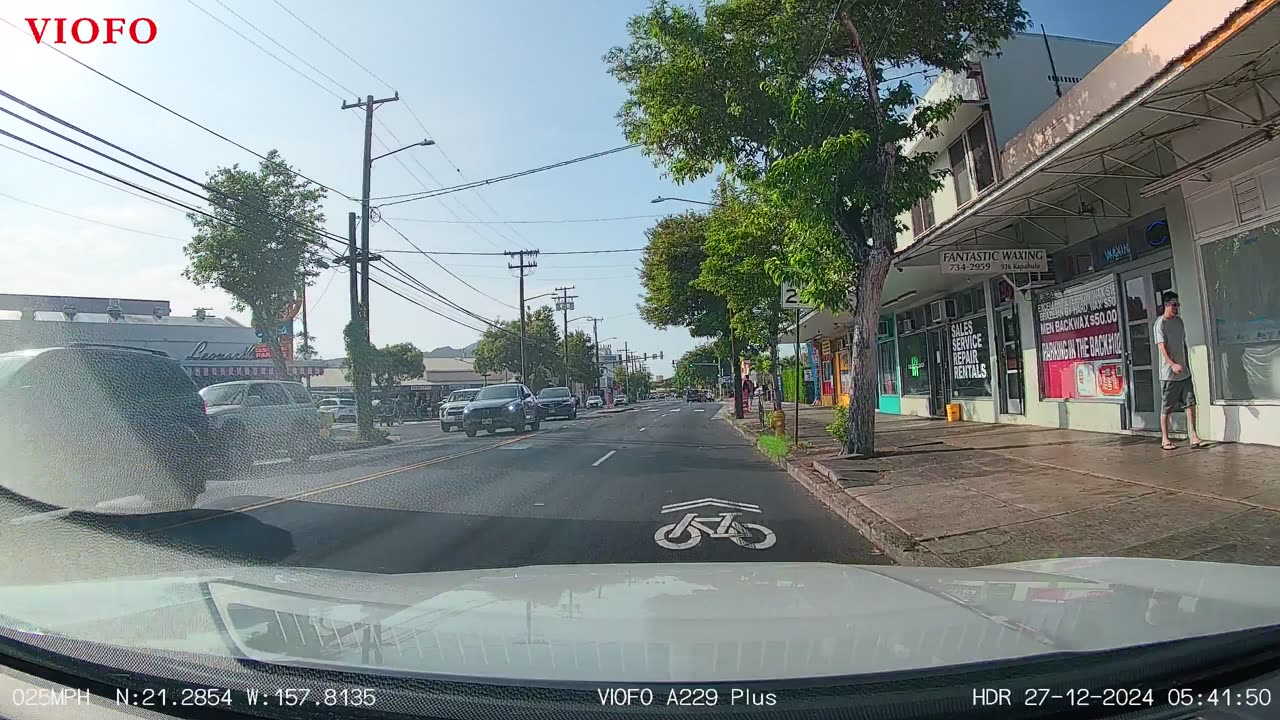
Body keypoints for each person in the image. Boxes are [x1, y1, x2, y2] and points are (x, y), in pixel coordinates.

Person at [1153, 291, 1205, 450]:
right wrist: (1172, 364)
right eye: (1174, 305)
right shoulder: (1160, 324)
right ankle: (1165, 439)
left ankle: (1194, 435)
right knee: (1167, 407)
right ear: (1166, 305)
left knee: (1190, 403)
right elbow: (1162, 348)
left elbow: (1182, 345)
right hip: (1169, 374)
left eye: (1178, 305)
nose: (1177, 308)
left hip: (1184, 373)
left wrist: (1185, 364)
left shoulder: (1179, 322)